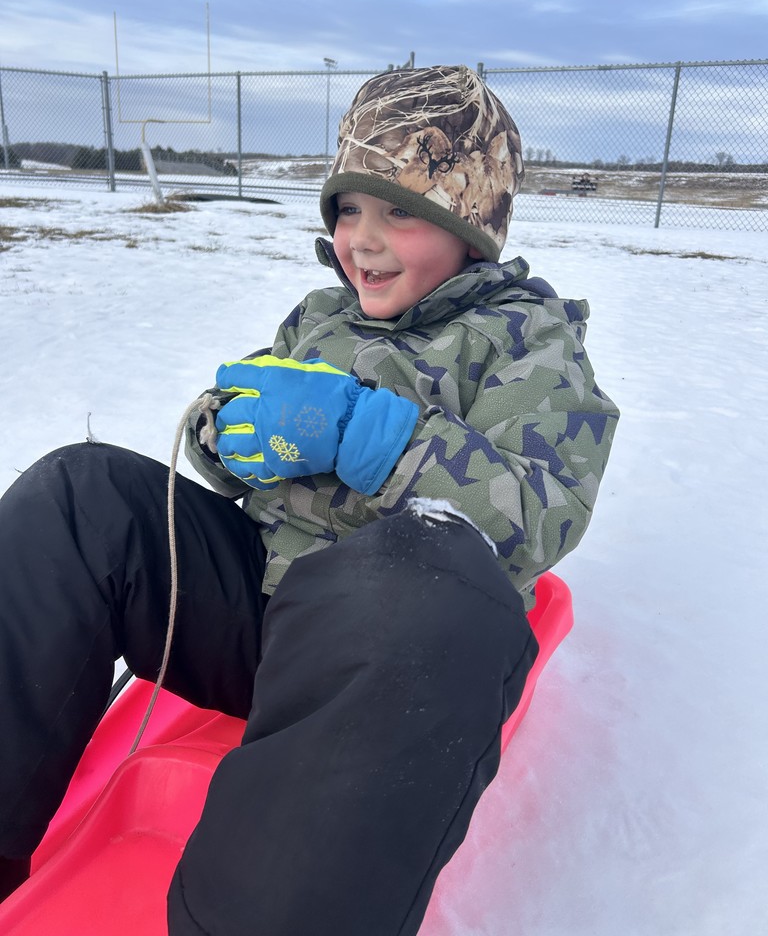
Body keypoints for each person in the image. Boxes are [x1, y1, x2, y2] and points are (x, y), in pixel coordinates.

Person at [0, 65, 619, 934]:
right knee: (79, 495)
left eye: (399, 211)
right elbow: (238, 429)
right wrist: (231, 434)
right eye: (347, 210)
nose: (360, 240)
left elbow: (542, 514)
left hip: (386, 656)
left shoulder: (528, 343)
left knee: (432, 567)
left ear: (469, 222)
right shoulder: (322, 317)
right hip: (258, 610)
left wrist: (376, 439)